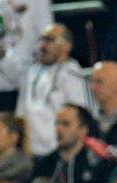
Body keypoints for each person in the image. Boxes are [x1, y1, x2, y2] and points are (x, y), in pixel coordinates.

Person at [19, 24, 92, 157]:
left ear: (67, 46)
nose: (42, 46)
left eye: (49, 40)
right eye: (41, 40)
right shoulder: (32, 71)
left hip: (58, 151)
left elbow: (79, 119)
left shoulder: (72, 74)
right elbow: (22, 113)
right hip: (30, 151)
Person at [35, 104, 117, 183]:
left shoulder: (98, 164)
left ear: (83, 130)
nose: (58, 129)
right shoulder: (45, 164)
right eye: (57, 123)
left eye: (65, 124)